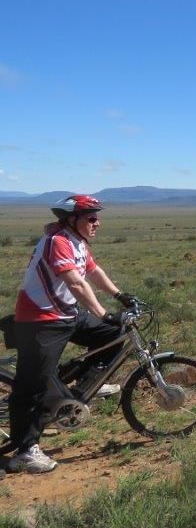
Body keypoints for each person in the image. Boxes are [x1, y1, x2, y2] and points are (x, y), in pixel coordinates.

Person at [7, 195, 135, 474]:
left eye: (97, 217)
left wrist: (120, 296)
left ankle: (78, 390)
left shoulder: (77, 242)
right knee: (31, 387)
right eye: (91, 218)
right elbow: (76, 283)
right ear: (72, 220)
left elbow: (92, 271)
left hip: (67, 314)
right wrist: (103, 312)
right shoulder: (58, 242)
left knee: (116, 334)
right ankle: (25, 451)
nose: (97, 223)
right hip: (41, 319)